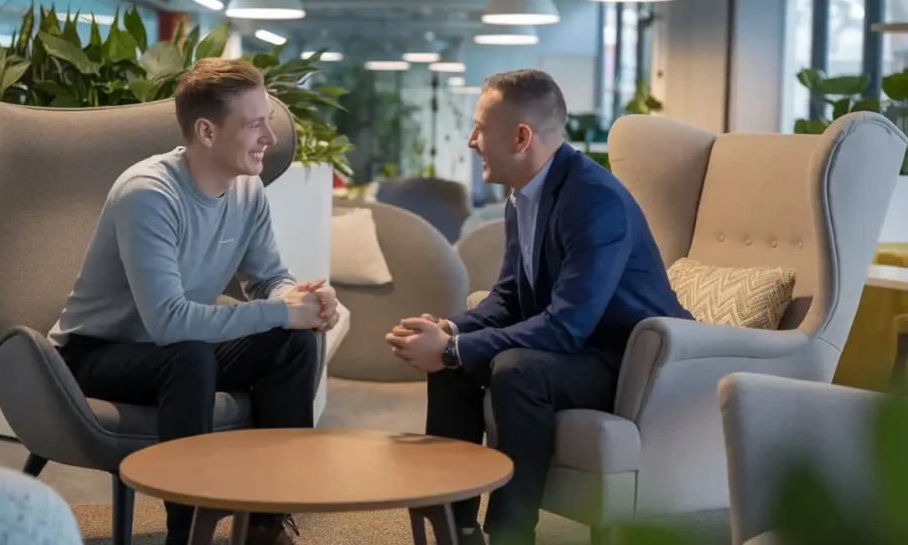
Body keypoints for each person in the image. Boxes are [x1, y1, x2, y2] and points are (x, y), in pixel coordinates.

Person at [386, 69, 692, 545]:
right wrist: (449, 330)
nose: (471, 141)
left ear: (521, 136)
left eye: (479, 129)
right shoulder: (522, 196)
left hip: (628, 361)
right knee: (460, 365)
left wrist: (452, 348)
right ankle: (453, 525)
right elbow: (509, 297)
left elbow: (568, 325)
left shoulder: (594, 200)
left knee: (514, 370)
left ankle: (511, 535)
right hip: (578, 349)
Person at [49, 57, 337, 545]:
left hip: (179, 350)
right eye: (254, 124)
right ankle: (188, 530)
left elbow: (267, 276)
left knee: (295, 345)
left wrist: (299, 299)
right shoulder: (148, 194)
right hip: (96, 353)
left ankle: (266, 522)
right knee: (188, 353)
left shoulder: (248, 189)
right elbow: (168, 323)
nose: (269, 136)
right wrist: (284, 312)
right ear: (206, 131)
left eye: (268, 119)